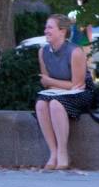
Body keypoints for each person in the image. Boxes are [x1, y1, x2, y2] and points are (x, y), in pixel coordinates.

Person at [33, 14, 94, 170]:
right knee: (40, 104)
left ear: (62, 31)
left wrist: (51, 83)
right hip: (57, 92)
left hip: (81, 93)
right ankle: (52, 153)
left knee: (55, 105)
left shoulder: (75, 52)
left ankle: (62, 152)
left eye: (50, 27)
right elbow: (45, 83)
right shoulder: (43, 52)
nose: (46, 30)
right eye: (46, 27)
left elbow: (77, 84)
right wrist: (52, 84)